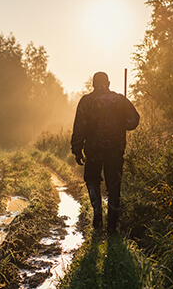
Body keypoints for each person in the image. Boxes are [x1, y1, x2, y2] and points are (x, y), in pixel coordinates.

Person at [71, 71, 139, 233]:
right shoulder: (120, 100)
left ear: (93, 84)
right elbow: (133, 121)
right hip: (115, 149)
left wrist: (77, 149)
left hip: (93, 150)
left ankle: (97, 212)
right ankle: (112, 226)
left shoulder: (86, 101)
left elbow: (79, 126)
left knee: (92, 179)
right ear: (108, 84)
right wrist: (120, 121)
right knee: (114, 185)